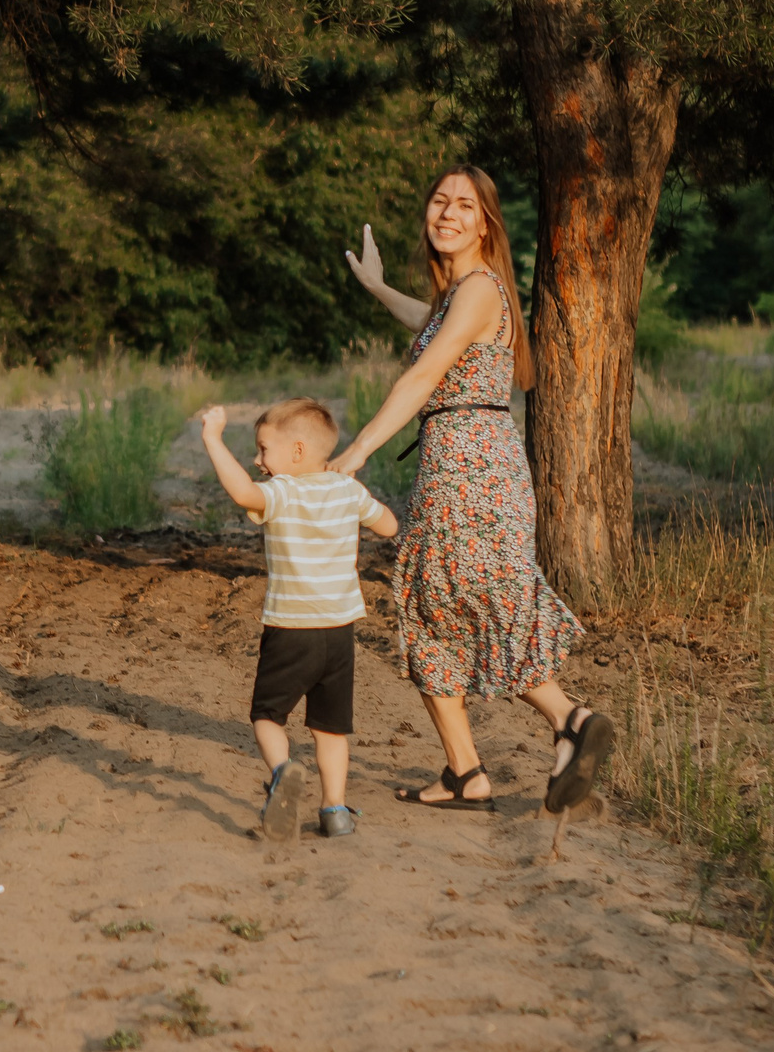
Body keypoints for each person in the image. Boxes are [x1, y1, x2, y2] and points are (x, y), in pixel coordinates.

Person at [329, 170, 615, 814]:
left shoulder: (480, 291)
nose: (448, 214)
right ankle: (466, 772)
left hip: (469, 466)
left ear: (485, 222)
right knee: (437, 602)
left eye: (464, 206)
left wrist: (357, 450)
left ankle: (568, 717)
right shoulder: (467, 294)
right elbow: (428, 325)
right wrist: (377, 288)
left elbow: (427, 369)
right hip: (470, 460)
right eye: (439, 202)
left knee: (469, 596)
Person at [198, 397, 400, 842]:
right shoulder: (347, 490)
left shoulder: (283, 491)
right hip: (339, 632)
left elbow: (242, 492)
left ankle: (282, 772)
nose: (257, 460)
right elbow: (388, 526)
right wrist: (355, 496)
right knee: (330, 728)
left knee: (268, 717)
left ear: (297, 452)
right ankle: (335, 811)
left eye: (264, 449)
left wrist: (213, 438)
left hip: (291, 627)